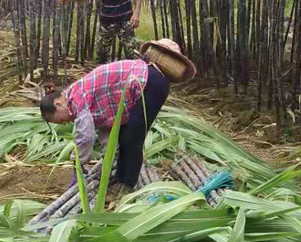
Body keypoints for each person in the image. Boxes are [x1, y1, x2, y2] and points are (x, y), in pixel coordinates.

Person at [39, 40, 196, 202]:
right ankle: (120, 179)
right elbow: (107, 131)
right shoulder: (76, 96)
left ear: (58, 104)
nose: (64, 123)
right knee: (124, 137)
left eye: (59, 119)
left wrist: (78, 163)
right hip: (148, 83)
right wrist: (108, 157)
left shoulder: (77, 99)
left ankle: (127, 185)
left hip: (151, 84)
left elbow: (85, 137)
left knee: (132, 137)